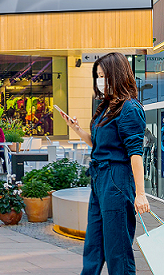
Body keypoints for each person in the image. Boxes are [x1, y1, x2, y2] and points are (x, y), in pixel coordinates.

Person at [61, 52, 149, 275]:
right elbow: (100, 144)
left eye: (103, 75)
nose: (99, 80)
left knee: (117, 250)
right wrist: (77, 129)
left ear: (116, 75)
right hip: (100, 178)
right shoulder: (107, 107)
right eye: (97, 76)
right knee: (93, 247)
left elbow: (135, 153)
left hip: (117, 179)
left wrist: (141, 193)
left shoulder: (129, 108)